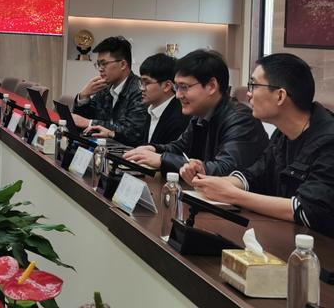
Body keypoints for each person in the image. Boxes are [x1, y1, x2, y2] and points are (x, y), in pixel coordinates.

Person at [191, 53, 334, 236]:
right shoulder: (282, 134)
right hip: (285, 237)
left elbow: (307, 210)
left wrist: (232, 195)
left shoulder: (328, 140)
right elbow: (256, 174)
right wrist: (213, 182)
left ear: (280, 96)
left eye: (254, 85)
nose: (248, 94)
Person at [124, 49, 268, 182]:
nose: (178, 95)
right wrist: (154, 149)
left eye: (184, 87)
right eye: (177, 87)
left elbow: (226, 169)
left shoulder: (240, 119)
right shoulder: (200, 115)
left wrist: (162, 159)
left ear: (211, 86)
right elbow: (180, 147)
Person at [72, 36, 148, 146]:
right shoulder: (105, 88)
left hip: (126, 152)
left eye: (104, 64)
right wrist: (84, 96)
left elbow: (132, 132)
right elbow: (81, 121)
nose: (100, 69)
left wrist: (90, 123)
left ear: (123, 64)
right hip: (101, 147)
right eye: (98, 64)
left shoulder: (140, 90)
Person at [138, 53, 190, 145]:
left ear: (167, 86)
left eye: (146, 83)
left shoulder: (179, 118)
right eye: (141, 82)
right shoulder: (150, 110)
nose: (141, 88)